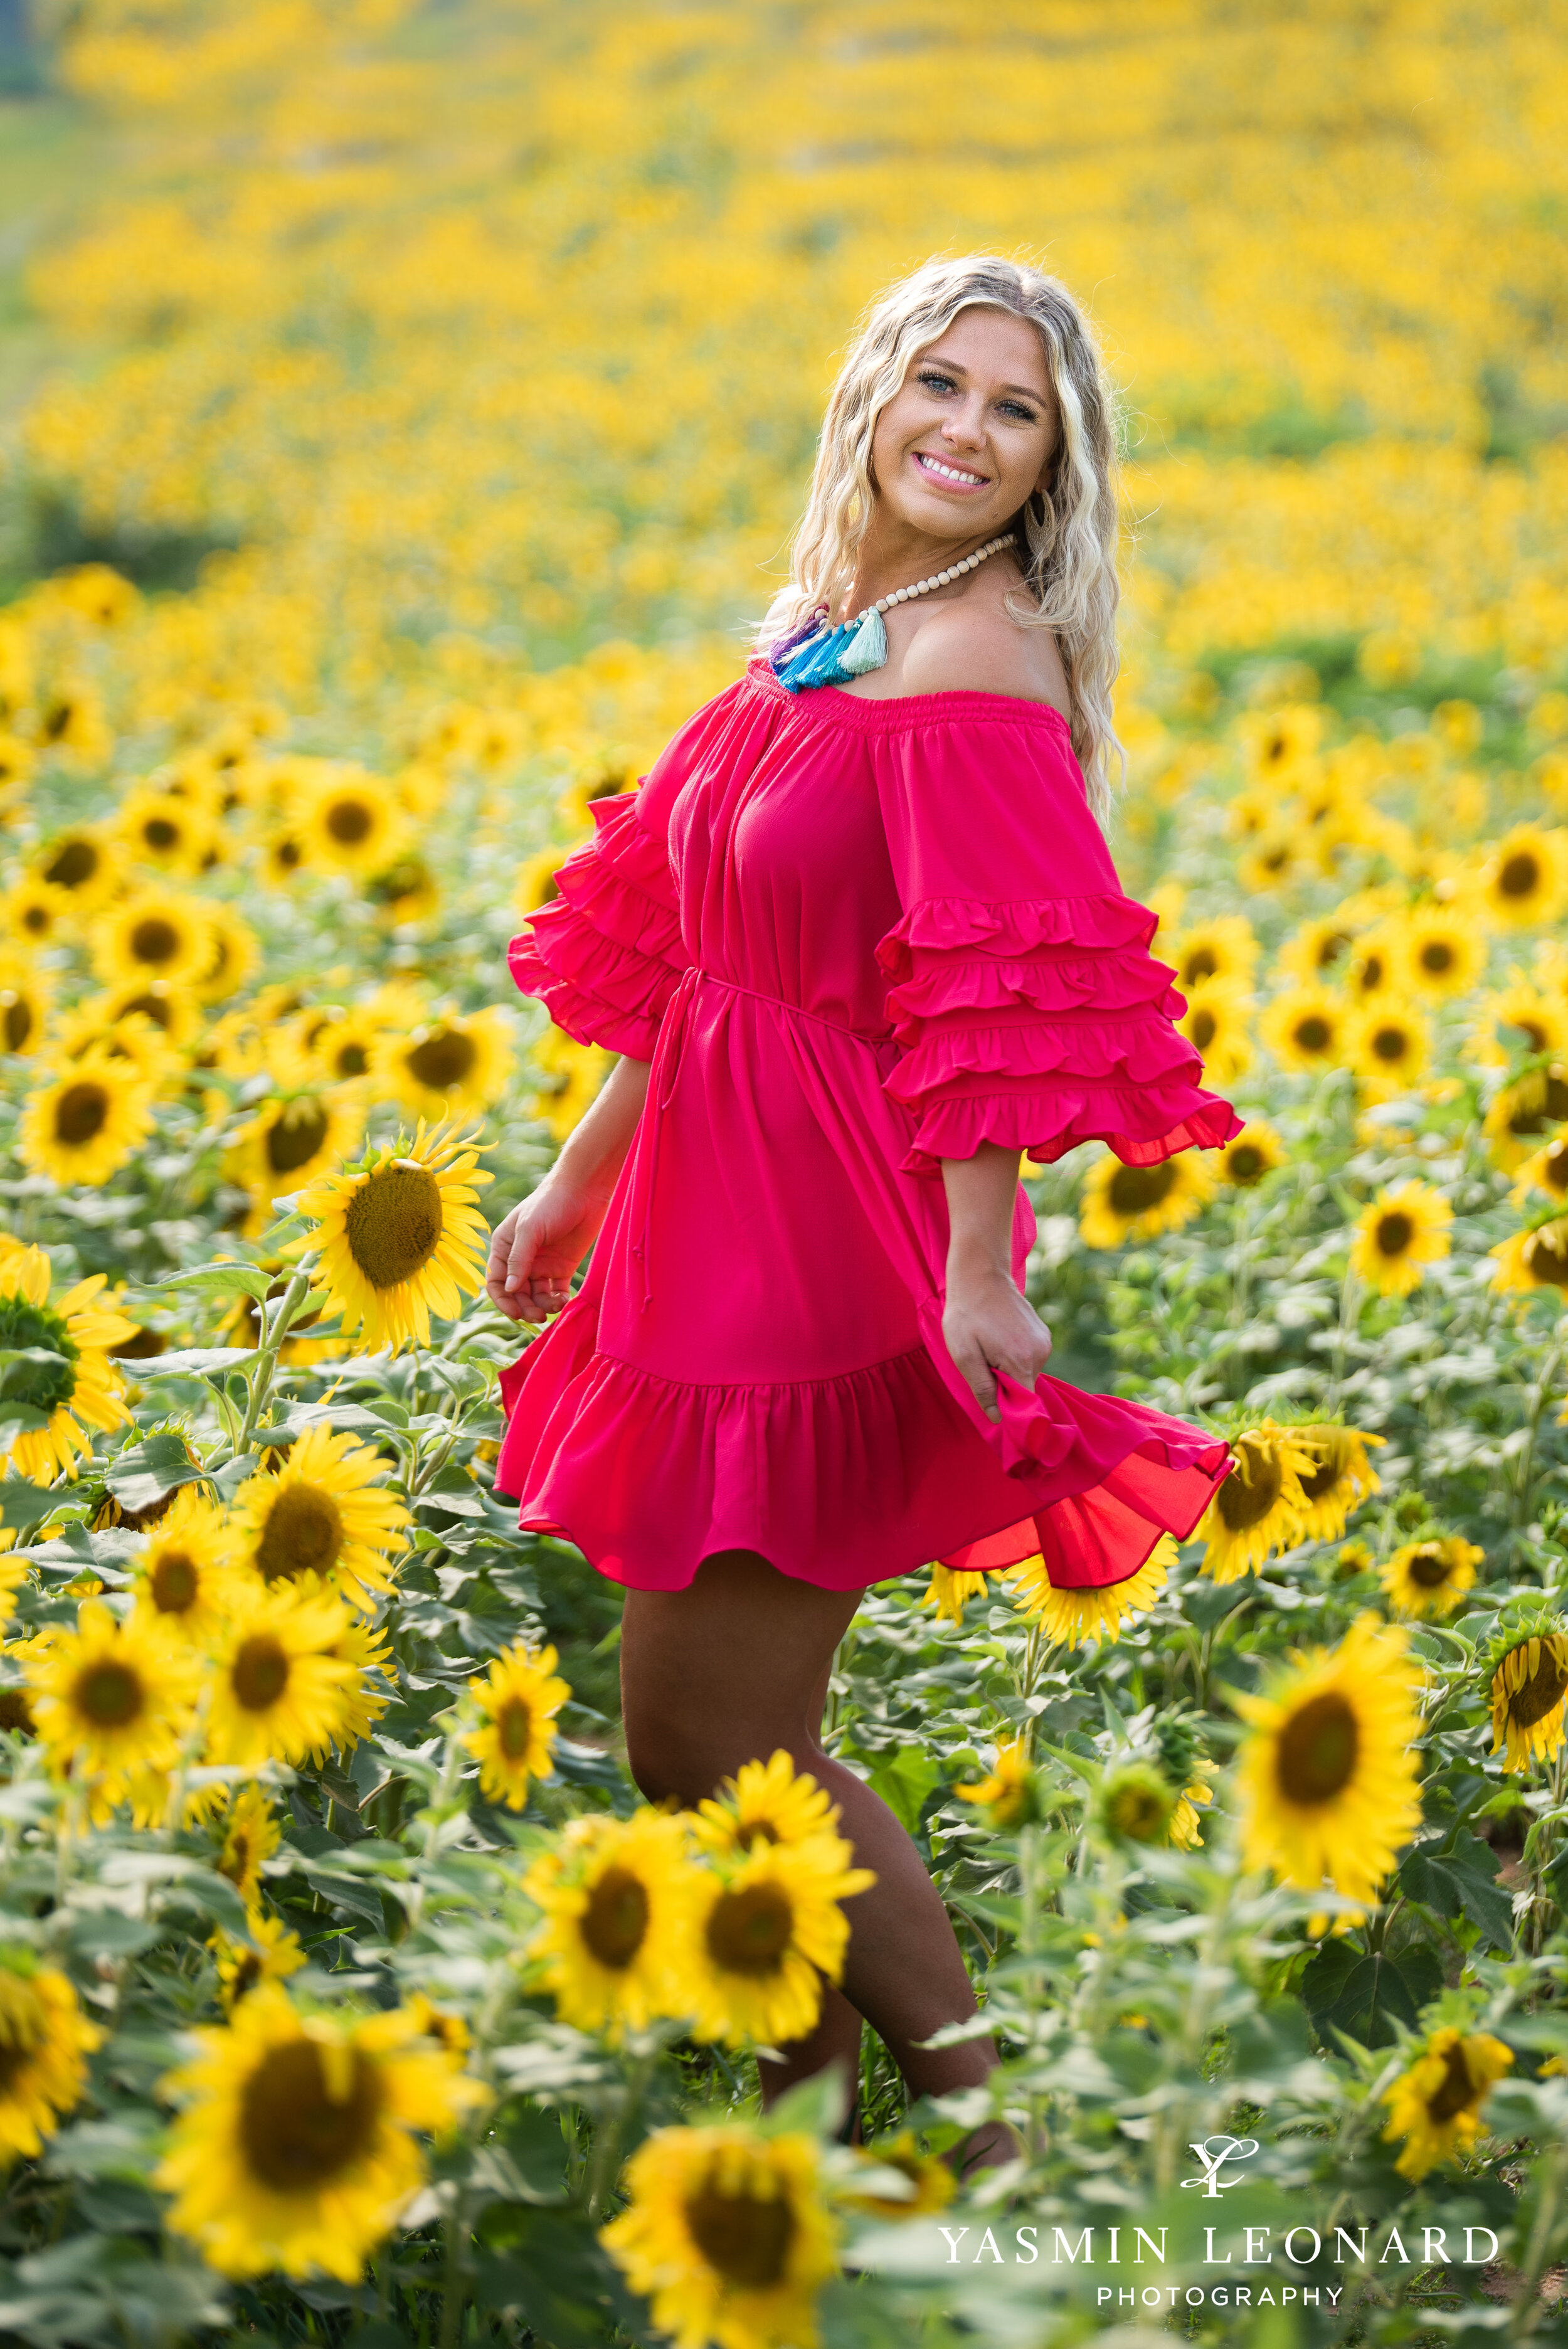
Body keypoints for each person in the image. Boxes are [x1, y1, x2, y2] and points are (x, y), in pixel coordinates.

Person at [485, 253, 1241, 2175]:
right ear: (871, 393)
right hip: (699, 1189)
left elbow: (985, 982)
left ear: (1051, 467)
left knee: (713, 1742)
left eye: (1016, 411)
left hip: (820, 1214)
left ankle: (993, 2149)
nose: (965, 432)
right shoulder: (832, 620)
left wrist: (980, 1269)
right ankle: (812, 2141)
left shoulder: (981, 659)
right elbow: (685, 940)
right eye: (941, 381)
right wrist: (580, 1175)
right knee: (717, 1742)